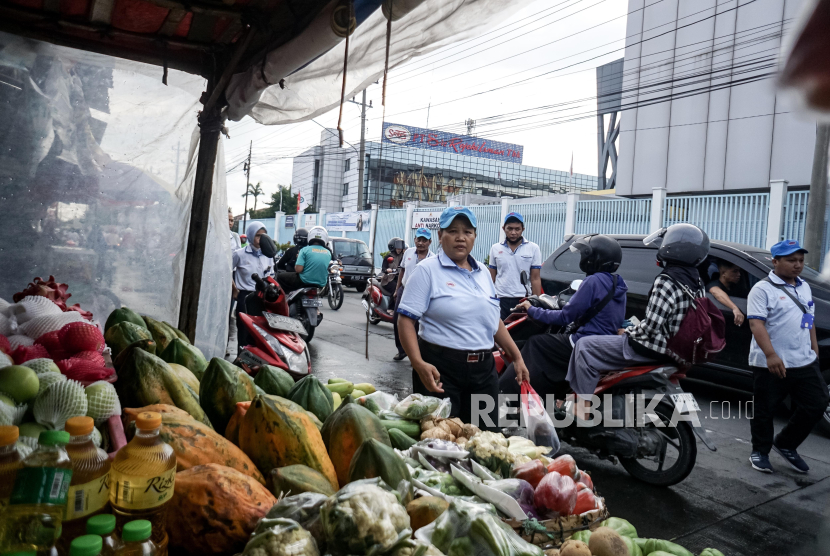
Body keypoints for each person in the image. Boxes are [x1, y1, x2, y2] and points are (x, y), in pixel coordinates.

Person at [396, 206, 530, 427]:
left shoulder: (484, 274)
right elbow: (405, 321)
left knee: (487, 439)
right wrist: (418, 363)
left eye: (467, 232)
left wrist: (517, 357)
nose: (460, 238)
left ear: (475, 236)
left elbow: (493, 320)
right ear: (440, 236)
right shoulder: (427, 271)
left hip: (484, 371)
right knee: (443, 441)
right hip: (441, 369)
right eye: (452, 231)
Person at [565, 223, 709, 419]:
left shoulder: (667, 281)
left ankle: (582, 407)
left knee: (584, 346)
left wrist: (629, 332)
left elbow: (651, 328)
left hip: (651, 348)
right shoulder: (696, 281)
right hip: (675, 349)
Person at [499, 235, 628, 401]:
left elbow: (566, 317)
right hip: (605, 343)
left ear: (595, 258)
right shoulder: (618, 282)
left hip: (584, 341)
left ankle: (510, 393)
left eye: (585, 255)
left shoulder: (593, 281)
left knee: (537, 343)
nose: (583, 258)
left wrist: (532, 310)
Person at [746, 240, 828, 474]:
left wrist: (814, 347)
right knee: (765, 409)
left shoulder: (803, 287)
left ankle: (786, 443)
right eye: (792, 260)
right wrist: (771, 355)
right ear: (775, 262)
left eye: (801, 260)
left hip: (803, 360)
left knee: (817, 402)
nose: (798, 265)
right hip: (771, 363)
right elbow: (756, 324)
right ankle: (760, 452)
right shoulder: (762, 289)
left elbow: (808, 317)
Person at [488, 212, 543, 320]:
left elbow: (535, 278)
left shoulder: (533, 248)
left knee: (519, 333)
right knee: (498, 332)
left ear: (523, 229)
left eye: (517, 229)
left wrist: (537, 303)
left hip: (523, 299)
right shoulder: (495, 248)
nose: (513, 232)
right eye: (510, 229)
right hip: (500, 299)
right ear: (504, 229)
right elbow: (491, 278)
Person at [392, 228, 435, 361]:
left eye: (424, 240)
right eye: (418, 239)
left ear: (429, 242)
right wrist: (397, 289)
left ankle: (416, 355)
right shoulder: (408, 252)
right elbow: (402, 271)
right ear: (415, 240)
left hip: (421, 293)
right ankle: (401, 350)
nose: (420, 243)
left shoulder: (432, 259)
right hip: (404, 290)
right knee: (397, 320)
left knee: (417, 324)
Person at [232, 221, 275, 353]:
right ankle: (242, 360)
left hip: (262, 297)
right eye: (258, 235)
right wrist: (234, 290)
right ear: (250, 236)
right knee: (244, 330)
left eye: (264, 236)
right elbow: (227, 270)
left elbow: (272, 274)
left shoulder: (268, 255)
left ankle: (257, 361)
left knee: (261, 331)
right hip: (245, 297)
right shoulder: (239, 254)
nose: (261, 239)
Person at [277, 226, 332, 293]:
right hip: (321, 283)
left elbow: (298, 270)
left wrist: (298, 259)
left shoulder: (304, 250)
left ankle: (285, 297)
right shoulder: (328, 252)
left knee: (279, 277)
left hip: (304, 281)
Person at [706, 260, 747, 326]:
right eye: (735, 271)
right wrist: (735, 308)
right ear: (723, 273)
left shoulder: (735, 287)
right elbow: (717, 293)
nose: (739, 274)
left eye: (739, 271)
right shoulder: (713, 285)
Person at [227, 208, 242, 360]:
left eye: (232, 220)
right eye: (228, 219)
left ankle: (224, 344)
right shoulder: (215, 234)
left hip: (233, 276)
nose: (230, 223)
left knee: (228, 313)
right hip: (221, 275)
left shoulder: (235, 237)